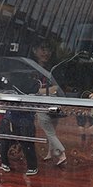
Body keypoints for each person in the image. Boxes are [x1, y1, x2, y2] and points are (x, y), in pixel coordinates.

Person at [30, 38, 67, 166]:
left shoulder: (53, 68)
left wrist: (42, 91)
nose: (46, 53)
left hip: (48, 105)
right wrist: (49, 90)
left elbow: (55, 87)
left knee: (49, 131)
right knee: (51, 131)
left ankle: (61, 154)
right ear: (34, 50)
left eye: (48, 49)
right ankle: (50, 153)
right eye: (43, 49)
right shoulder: (31, 68)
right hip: (51, 103)